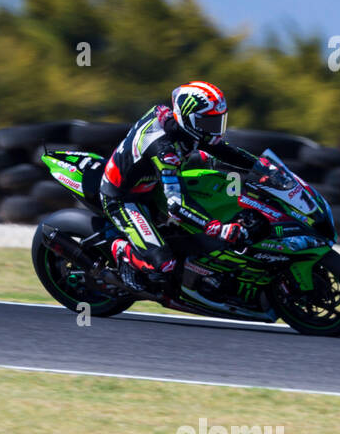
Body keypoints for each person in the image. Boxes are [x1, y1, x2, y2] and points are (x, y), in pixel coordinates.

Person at [100, 81, 259, 292]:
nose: (215, 129)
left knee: (209, 163)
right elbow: (176, 204)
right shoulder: (164, 149)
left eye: (218, 121)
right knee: (163, 266)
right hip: (123, 197)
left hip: (152, 184)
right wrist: (216, 227)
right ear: (189, 119)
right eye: (209, 122)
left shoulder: (183, 127)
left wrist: (262, 166)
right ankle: (119, 249)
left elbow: (223, 150)